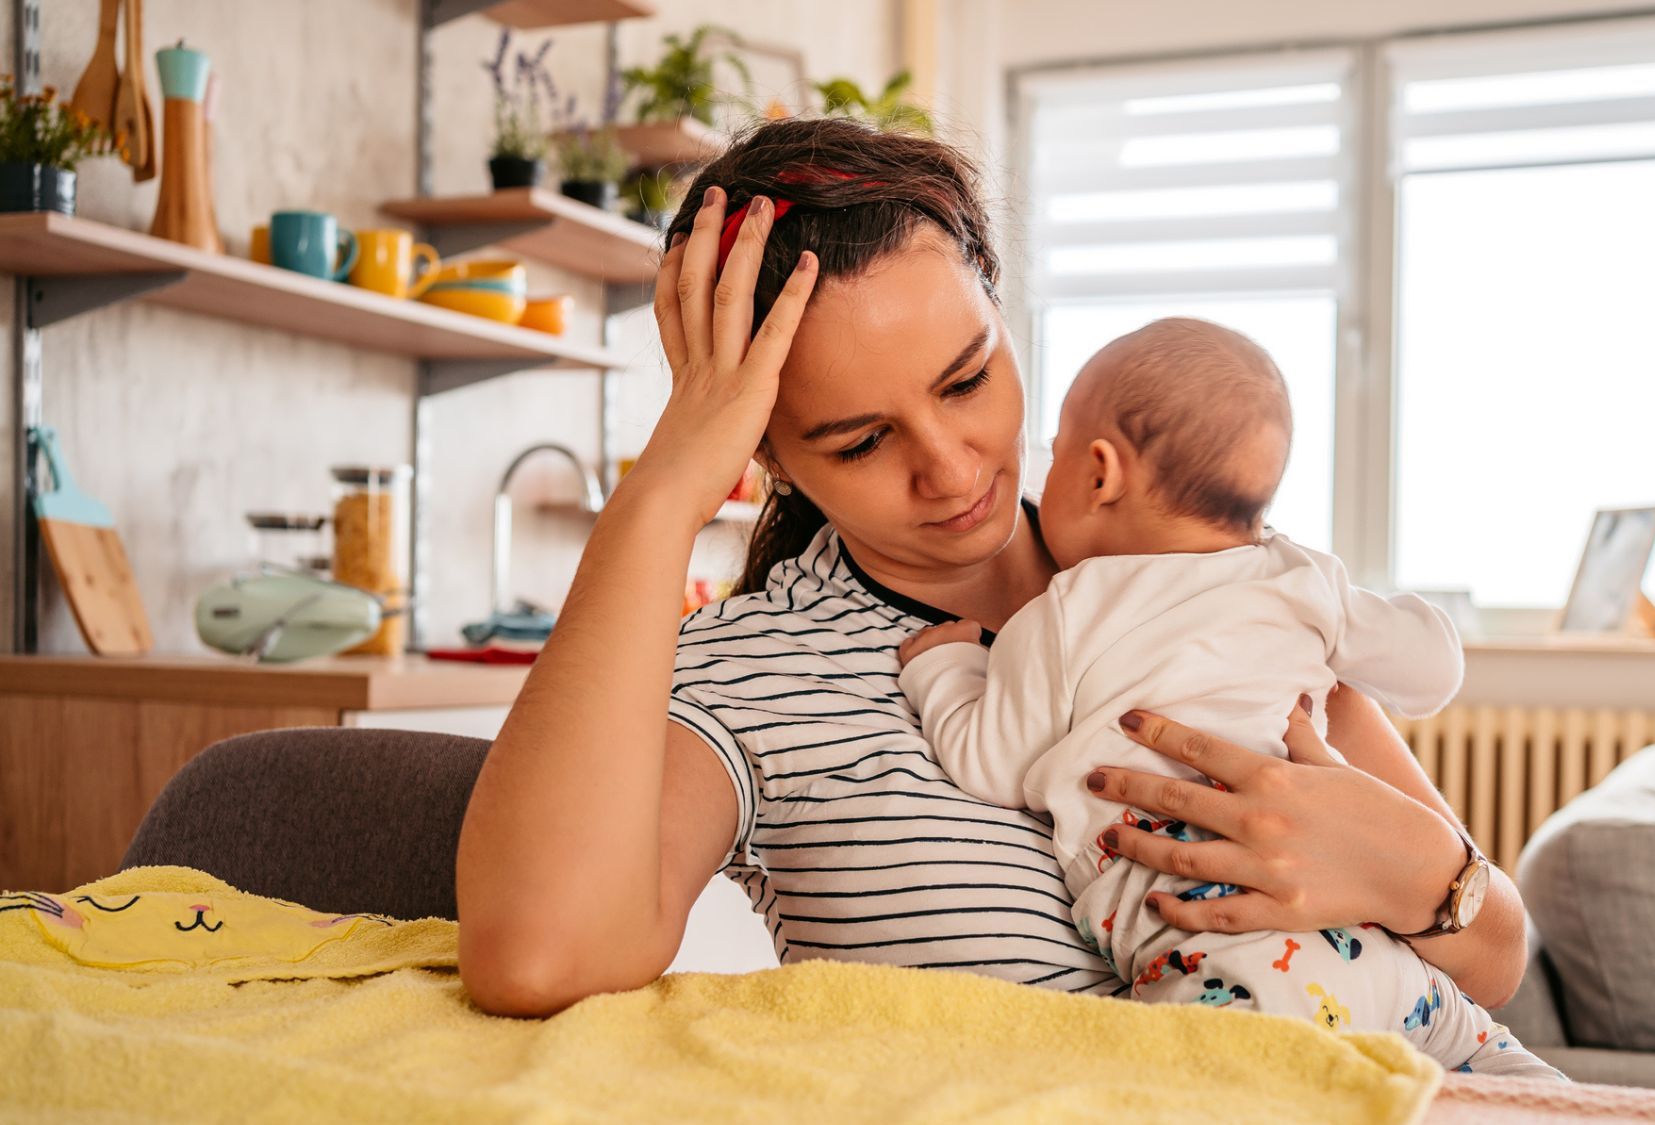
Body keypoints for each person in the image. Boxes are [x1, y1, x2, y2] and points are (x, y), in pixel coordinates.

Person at [453, 117, 1530, 1022]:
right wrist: (661, 493)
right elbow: (538, 958)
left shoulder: (1185, 560)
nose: (949, 467)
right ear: (765, 452)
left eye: (967, 380)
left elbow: (1497, 956)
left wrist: (1419, 877)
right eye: (860, 440)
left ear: (1003, 316)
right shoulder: (755, 670)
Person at [895, 318, 1561, 1078]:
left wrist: (944, 668)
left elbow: (988, 760)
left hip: (1237, 965)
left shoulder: (1063, 613)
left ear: (1101, 472)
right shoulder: (1299, 575)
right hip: (1388, 962)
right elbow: (1433, 671)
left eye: (1059, 446)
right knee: (1534, 1089)